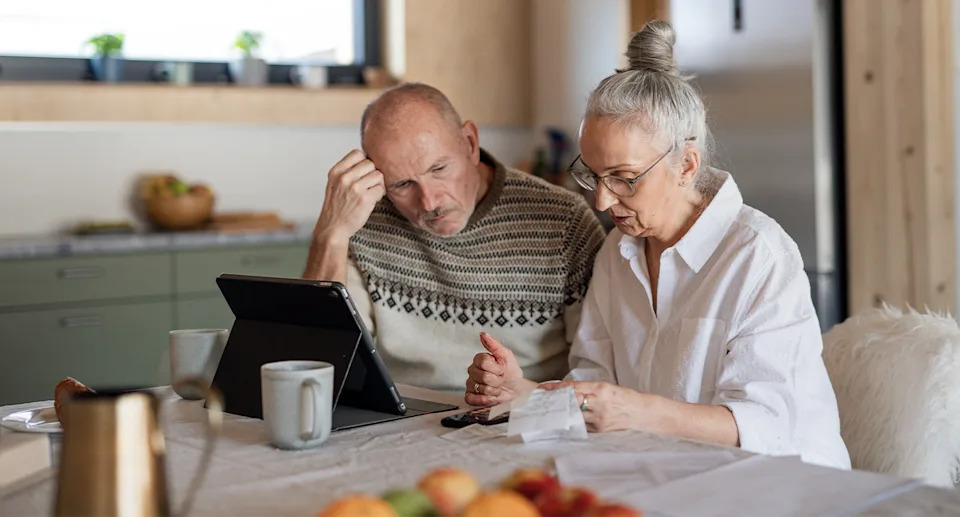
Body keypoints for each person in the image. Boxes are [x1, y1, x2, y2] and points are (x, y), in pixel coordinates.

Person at [463, 21, 850, 469]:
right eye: (592, 175)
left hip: (787, 486)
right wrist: (522, 393)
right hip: (668, 473)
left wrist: (637, 411)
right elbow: (594, 393)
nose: (604, 201)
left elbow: (767, 425)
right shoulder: (617, 254)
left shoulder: (757, 255)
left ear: (685, 165)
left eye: (624, 179)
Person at [303, 83, 606, 392]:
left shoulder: (564, 221)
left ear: (470, 143)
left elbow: (599, 374)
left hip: (524, 419)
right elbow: (319, 362)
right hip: (400, 421)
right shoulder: (364, 219)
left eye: (439, 168)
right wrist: (331, 234)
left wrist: (525, 393)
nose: (430, 202)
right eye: (403, 185)